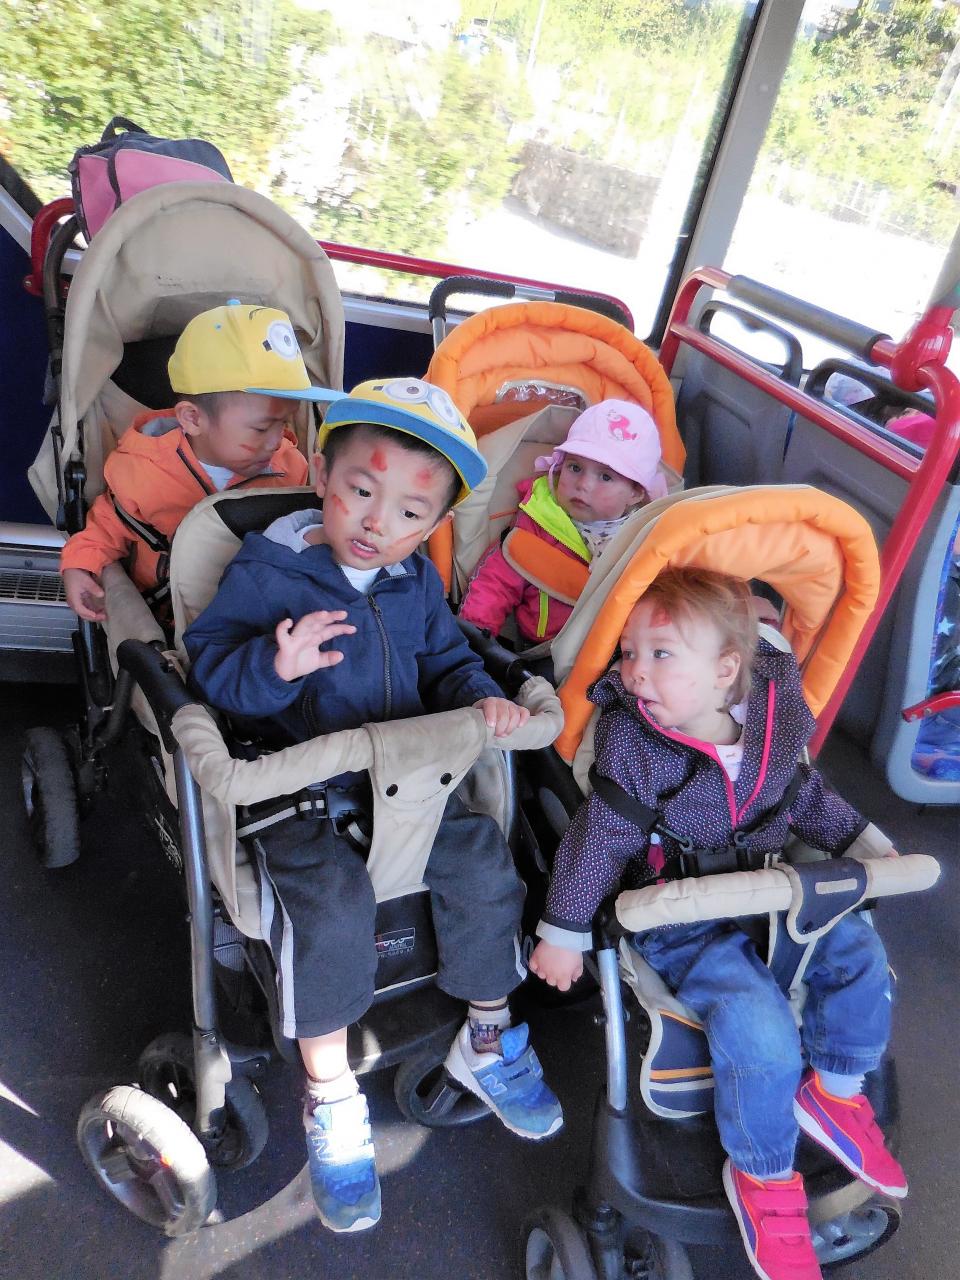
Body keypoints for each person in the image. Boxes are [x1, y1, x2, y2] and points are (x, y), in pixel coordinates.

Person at [183, 377, 563, 1235]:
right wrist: (274, 667)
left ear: (431, 527)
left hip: (408, 780)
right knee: (329, 907)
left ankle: (487, 1037)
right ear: (323, 475)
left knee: (482, 863)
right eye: (360, 491)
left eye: (408, 513)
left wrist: (481, 699)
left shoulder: (412, 581)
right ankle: (329, 1094)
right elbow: (208, 667)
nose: (376, 523)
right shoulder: (270, 571)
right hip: (299, 787)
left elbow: (447, 662)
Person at [528, 568, 905, 1280]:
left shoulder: (771, 728)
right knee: (757, 1020)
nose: (635, 671)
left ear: (727, 671)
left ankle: (835, 1091)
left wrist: (867, 846)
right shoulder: (637, 743)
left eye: (661, 654)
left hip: (767, 889)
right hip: (680, 915)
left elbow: (806, 800)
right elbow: (598, 838)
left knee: (858, 946)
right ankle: (762, 1173)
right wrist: (563, 929)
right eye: (629, 652)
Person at [60, 299, 320, 626]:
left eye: (283, 424)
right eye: (261, 428)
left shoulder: (290, 469)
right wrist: (79, 565)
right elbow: (106, 527)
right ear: (193, 419)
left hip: (255, 610)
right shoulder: (142, 470)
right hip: (170, 610)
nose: (276, 440)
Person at [458, 399, 667, 645]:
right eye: (575, 467)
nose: (584, 484)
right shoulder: (538, 521)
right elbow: (496, 583)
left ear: (635, 493)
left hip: (620, 650)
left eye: (605, 477)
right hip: (545, 649)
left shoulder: (650, 538)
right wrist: (472, 640)